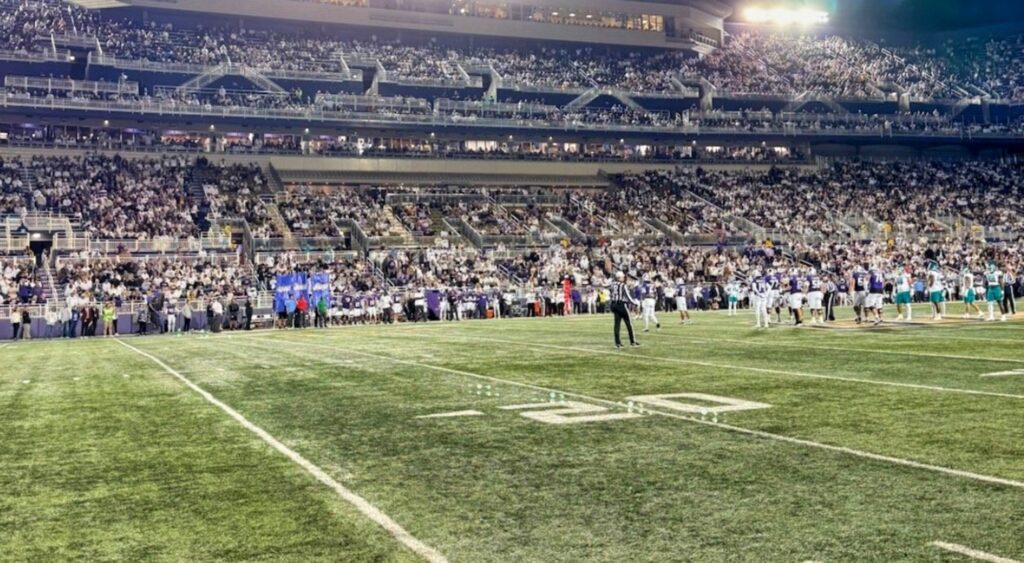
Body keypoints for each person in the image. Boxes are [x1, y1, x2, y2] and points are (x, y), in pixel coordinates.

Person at [609, 271, 639, 349]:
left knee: (617, 324)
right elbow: (628, 296)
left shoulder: (612, 284)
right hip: (621, 305)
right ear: (619, 278)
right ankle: (633, 341)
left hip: (613, 304)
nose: (623, 278)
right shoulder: (623, 285)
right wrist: (635, 303)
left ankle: (617, 343)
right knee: (629, 323)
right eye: (622, 277)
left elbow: (609, 290)